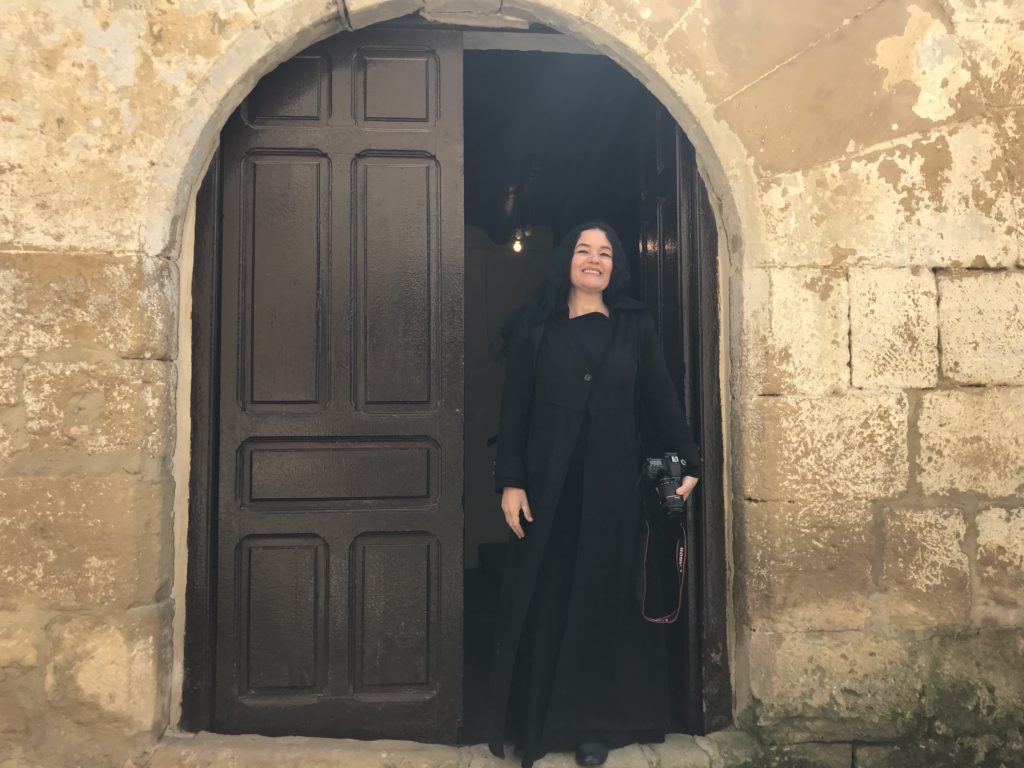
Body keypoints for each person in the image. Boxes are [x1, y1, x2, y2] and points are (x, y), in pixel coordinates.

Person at [485, 221, 703, 768]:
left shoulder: (635, 326)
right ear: (567, 261)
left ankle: (593, 727)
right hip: (547, 494)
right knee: (550, 602)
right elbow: (513, 411)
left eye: (605, 253)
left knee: (602, 606)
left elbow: (660, 398)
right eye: (583, 250)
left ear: (615, 267)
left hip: (614, 494)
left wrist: (689, 461)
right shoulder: (537, 329)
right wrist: (511, 481)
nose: (594, 259)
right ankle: (539, 724)